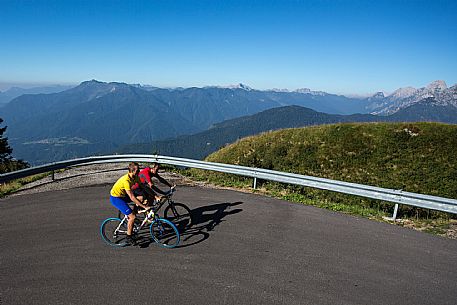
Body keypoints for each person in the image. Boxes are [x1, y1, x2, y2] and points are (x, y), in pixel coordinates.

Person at [110, 162, 150, 245]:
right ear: (133, 171)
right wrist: (144, 206)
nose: (139, 171)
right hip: (116, 198)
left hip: (123, 195)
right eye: (138, 170)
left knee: (141, 198)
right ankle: (128, 237)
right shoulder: (126, 180)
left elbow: (143, 187)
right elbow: (132, 197)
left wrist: (155, 196)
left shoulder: (135, 177)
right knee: (132, 217)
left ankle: (133, 216)